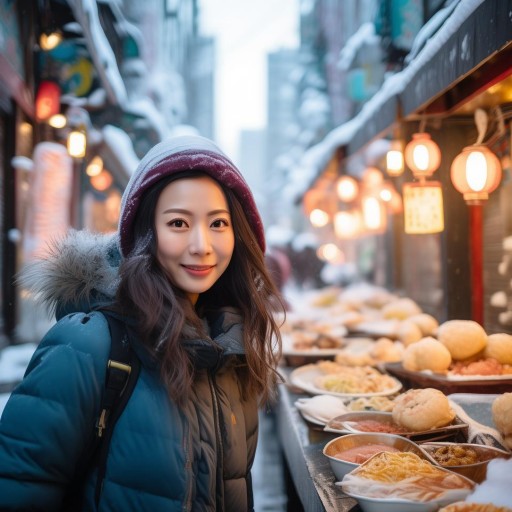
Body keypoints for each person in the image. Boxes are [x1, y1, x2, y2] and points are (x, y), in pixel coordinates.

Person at [0, 135, 285, 511]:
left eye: (218, 223)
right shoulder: (87, 344)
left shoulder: (230, 349)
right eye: (179, 223)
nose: (202, 244)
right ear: (143, 235)